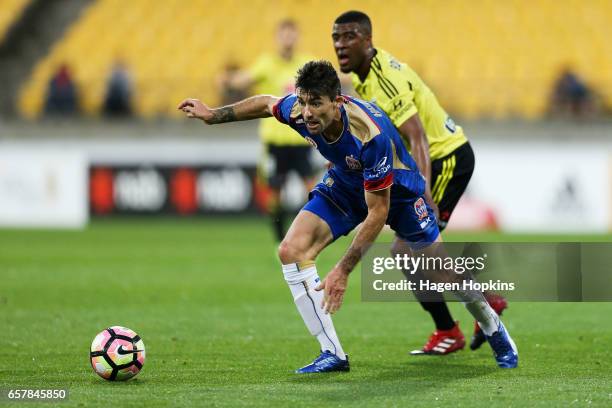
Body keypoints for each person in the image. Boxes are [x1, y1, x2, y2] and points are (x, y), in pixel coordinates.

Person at [178, 60, 518, 372]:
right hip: (344, 181)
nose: (307, 112)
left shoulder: (370, 136)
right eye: (303, 101)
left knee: (441, 273)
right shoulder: (298, 109)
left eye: (316, 104)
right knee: (291, 250)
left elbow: (378, 212)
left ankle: (492, 326)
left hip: (397, 191)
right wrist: (213, 115)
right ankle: (333, 354)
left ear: (337, 102)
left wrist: (342, 269)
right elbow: (267, 102)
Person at [331, 10, 507, 354]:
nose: (340, 45)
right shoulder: (365, 77)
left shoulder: (383, 79)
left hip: (447, 159)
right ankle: (461, 320)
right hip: (438, 160)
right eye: (336, 37)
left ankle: (468, 317)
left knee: (412, 251)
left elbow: (419, 138)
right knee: (411, 252)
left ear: (368, 41)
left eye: (348, 36)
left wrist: (422, 193)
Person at [218, 19, 316, 241]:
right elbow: (244, 80)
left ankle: (308, 235)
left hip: (301, 139)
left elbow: (332, 78)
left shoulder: (306, 63)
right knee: (275, 194)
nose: (288, 39)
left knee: (313, 190)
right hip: (274, 141)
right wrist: (228, 81)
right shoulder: (266, 63)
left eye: (292, 35)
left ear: (297, 37)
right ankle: (280, 240)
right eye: (284, 35)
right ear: (277, 38)